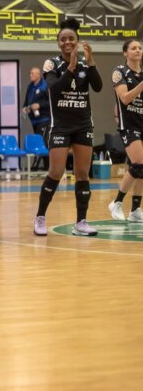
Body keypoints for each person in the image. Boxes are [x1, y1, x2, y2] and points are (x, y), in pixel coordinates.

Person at [33, 18, 103, 236]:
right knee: (56, 171)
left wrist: (90, 62)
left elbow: (98, 87)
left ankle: (81, 222)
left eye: (71, 38)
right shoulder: (51, 64)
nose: (67, 42)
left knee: (82, 174)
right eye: (63, 39)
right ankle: (40, 217)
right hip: (61, 126)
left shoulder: (85, 64)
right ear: (58, 43)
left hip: (83, 125)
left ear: (77, 41)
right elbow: (54, 89)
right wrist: (71, 67)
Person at [108, 39, 143, 222]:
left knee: (142, 168)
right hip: (129, 125)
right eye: (133, 48)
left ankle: (135, 210)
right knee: (139, 164)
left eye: (140, 48)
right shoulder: (119, 71)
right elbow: (125, 99)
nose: (138, 50)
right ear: (125, 53)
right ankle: (117, 202)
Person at [23, 66, 51, 170]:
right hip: (34, 120)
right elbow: (27, 101)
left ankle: (35, 166)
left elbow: (51, 102)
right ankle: (48, 166)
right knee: (44, 143)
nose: (30, 75)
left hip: (44, 119)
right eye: (30, 73)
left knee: (41, 142)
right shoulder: (30, 87)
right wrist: (25, 108)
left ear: (39, 75)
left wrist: (39, 105)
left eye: (32, 73)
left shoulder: (45, 86)